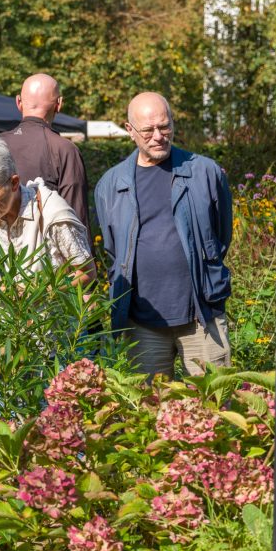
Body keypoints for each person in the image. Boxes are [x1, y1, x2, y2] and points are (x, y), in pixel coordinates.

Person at [94, 92, 233, 378]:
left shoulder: (205, 172)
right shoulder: (111, 184)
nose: (158, 136)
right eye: (148, 130)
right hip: (142, 323)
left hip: (201, 316)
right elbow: (113, 249)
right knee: (147, 403)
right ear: (130, 130)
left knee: (213, 400)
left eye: (164, 126)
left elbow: (221, 235)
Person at [0, 140, 95, 296]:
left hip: (48, 311)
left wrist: (43, 292)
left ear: (14, 183)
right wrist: (1, 294)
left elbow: (86, 272)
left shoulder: (52, 214)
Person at [0, 73, 89, 229]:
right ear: (59, 104)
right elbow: (75, 217)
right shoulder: (64, 150)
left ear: (18, 102)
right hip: (46, 242)